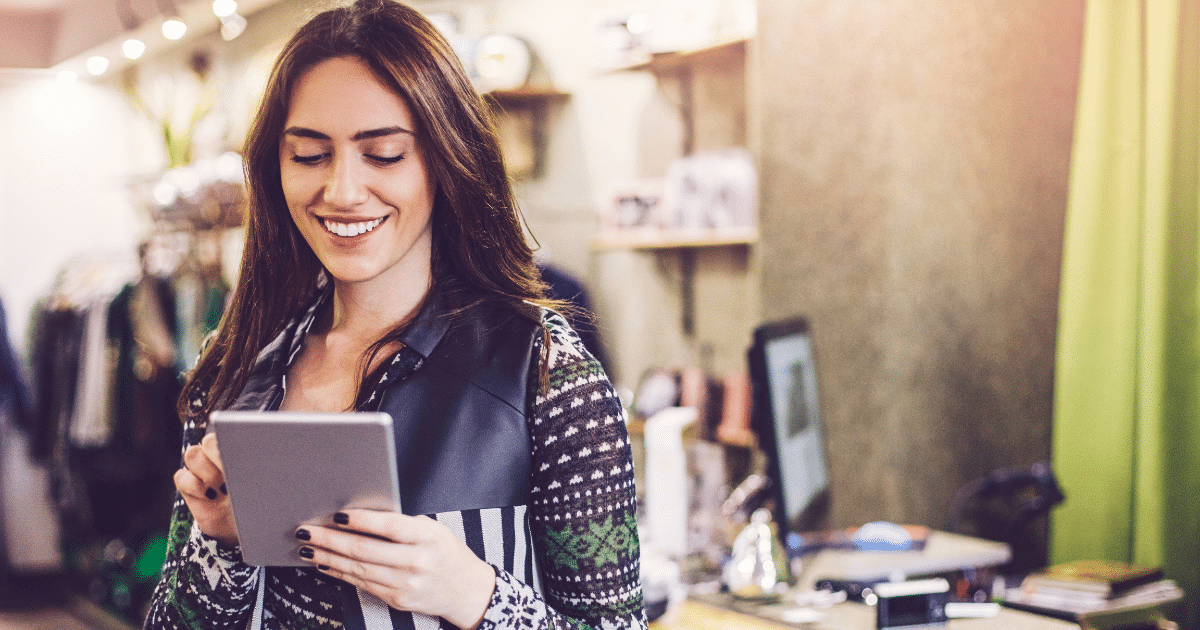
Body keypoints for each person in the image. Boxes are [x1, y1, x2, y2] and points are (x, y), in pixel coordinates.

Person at [142, 1, 645, 629]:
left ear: (445, 160)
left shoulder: (545, 371)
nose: (343, 190)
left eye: (383, 154)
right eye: (308, 155)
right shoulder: (236, 365)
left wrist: (474, 595)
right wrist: (221, 546)